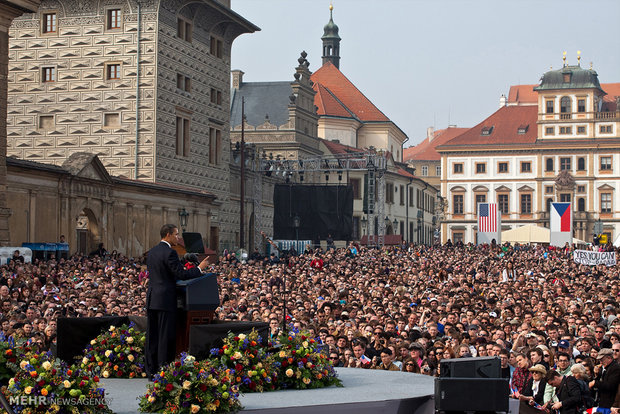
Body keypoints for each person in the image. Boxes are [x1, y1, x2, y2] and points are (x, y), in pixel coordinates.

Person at [145, 224, 210, 378]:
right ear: (168, 234)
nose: (178, 238)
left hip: (153, 298)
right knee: (165, 335)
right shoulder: (170, 253)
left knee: (152, 336)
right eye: (176, 234)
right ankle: (163, 369)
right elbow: (181, 274)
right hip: (166, 300)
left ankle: (150, 369)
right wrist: (200, 268)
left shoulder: (152, 252)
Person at [589, 347, 620, 412]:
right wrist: (596, 375)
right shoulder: (602, 368)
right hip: (601, 402)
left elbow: (610, 385)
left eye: (602, 360)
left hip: (610, 404)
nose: (600, 362)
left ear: (609, 358)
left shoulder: (615, 368)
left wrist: (595, 383)